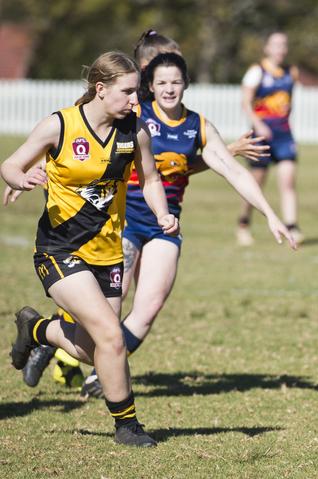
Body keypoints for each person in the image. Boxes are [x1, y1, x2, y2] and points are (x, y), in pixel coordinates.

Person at [16, 29, 272, 394]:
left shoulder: (185, 120)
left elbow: (174, 166)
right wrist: (23, 171)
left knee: (132, 314)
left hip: (160, 220)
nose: (171, 79)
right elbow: (74, 140)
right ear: (149, 70)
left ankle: (83, 364)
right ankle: (55, 343)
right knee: (99, 319)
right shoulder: (129, 111)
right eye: (164, 68)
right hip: (114, 222)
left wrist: (225, 152)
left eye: (177, 74)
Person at [1, 51, 180, 447]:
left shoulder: (136, 132)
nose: (136, 100)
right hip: (59, 249)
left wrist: (163, 213)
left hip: (107, 253)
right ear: (101, 90)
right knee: (111, 337)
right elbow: (10, 164)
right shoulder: (59, 125)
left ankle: (36, 329)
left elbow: (150, 180)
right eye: (129, 92)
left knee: (89, 350)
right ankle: (128, 427)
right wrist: (23, 176)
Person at [237, 31, 302, 246]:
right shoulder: (257, 71)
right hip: (261, 133)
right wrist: (258, 124)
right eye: (276, 44)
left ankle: (292, 226)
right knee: (256, 182)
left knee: (288, 180)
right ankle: (244, 223)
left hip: (283, 134)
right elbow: (246, 103)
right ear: (267, 48)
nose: (280, 49)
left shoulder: (291, 72)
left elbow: (288, 103)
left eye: (284, 45)